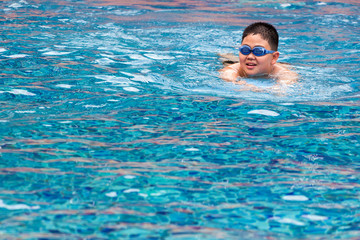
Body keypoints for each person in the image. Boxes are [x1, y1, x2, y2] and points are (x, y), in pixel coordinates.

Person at [219, 22, 298, 91]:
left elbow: (283, 89)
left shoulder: (284, 73)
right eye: (245, 50)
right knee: (226, 58)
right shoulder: (231, 71)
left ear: (274, 57)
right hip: (236, 64)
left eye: (258, 51)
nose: (250, 56)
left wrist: (256, 89)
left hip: (272, 65)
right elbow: (228, 78)